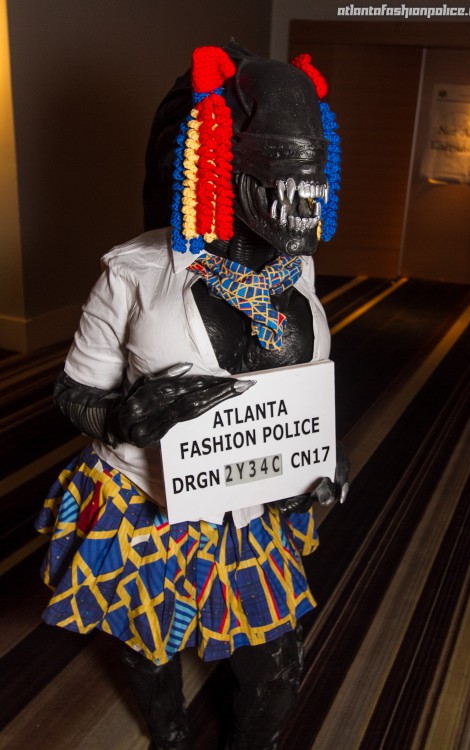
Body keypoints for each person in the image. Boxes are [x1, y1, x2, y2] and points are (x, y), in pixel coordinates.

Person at [36, 43, 348, 750]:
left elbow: (298, 403)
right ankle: (169, 731)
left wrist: (324, 460)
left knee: (276, 681)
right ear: (227, 167)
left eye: (315, 183)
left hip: (250, 509)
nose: (306, 206)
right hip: (145, 503)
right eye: (286, 181)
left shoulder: (300, 274)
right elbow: (72, 391)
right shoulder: (135, 274)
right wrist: (122, 417)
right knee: (149, 649)